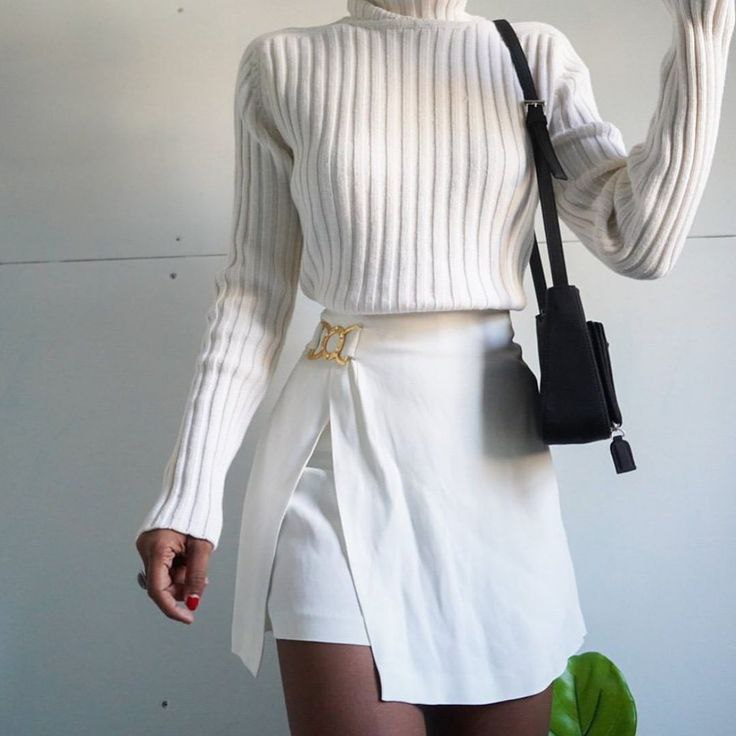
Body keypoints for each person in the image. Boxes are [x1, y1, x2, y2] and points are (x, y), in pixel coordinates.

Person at [135, 0, 735, 733]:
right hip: (336, 453)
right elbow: (253, 295)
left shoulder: (532, 54)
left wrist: (703, 27)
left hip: (493, 465)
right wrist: (189, 496)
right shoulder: (281, 65)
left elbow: (641, 242)